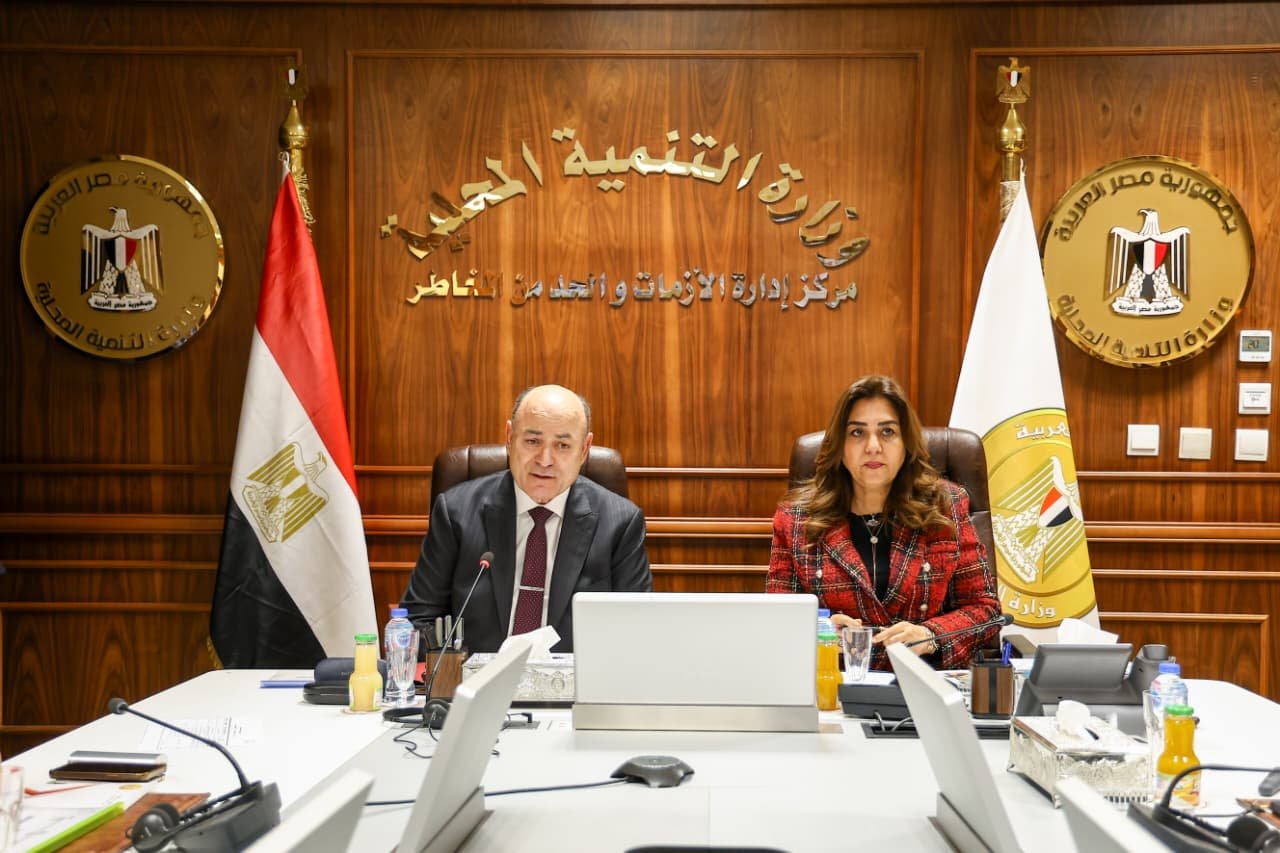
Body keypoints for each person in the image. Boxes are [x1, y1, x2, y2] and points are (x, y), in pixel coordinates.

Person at [767, 375, 1000, 669]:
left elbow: (985, 610)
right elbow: (778, 618)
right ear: (840, 446)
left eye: (887, 431)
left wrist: (930, 635)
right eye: (857, 433)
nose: (873, 446)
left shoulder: (945, 506)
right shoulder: (797, 519)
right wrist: (819, 630)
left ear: (906, 444)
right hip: (837, 683)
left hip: (925, 681)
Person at [402, 384, 651, 653]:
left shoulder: (620, 523)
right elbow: (419, 621)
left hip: (573, 679)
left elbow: (636, 630)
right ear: (510, 437)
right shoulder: (456, 512)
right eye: (532, 441)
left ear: (584, 449)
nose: (545, 460)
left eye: (563, 445)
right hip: (477, 676)